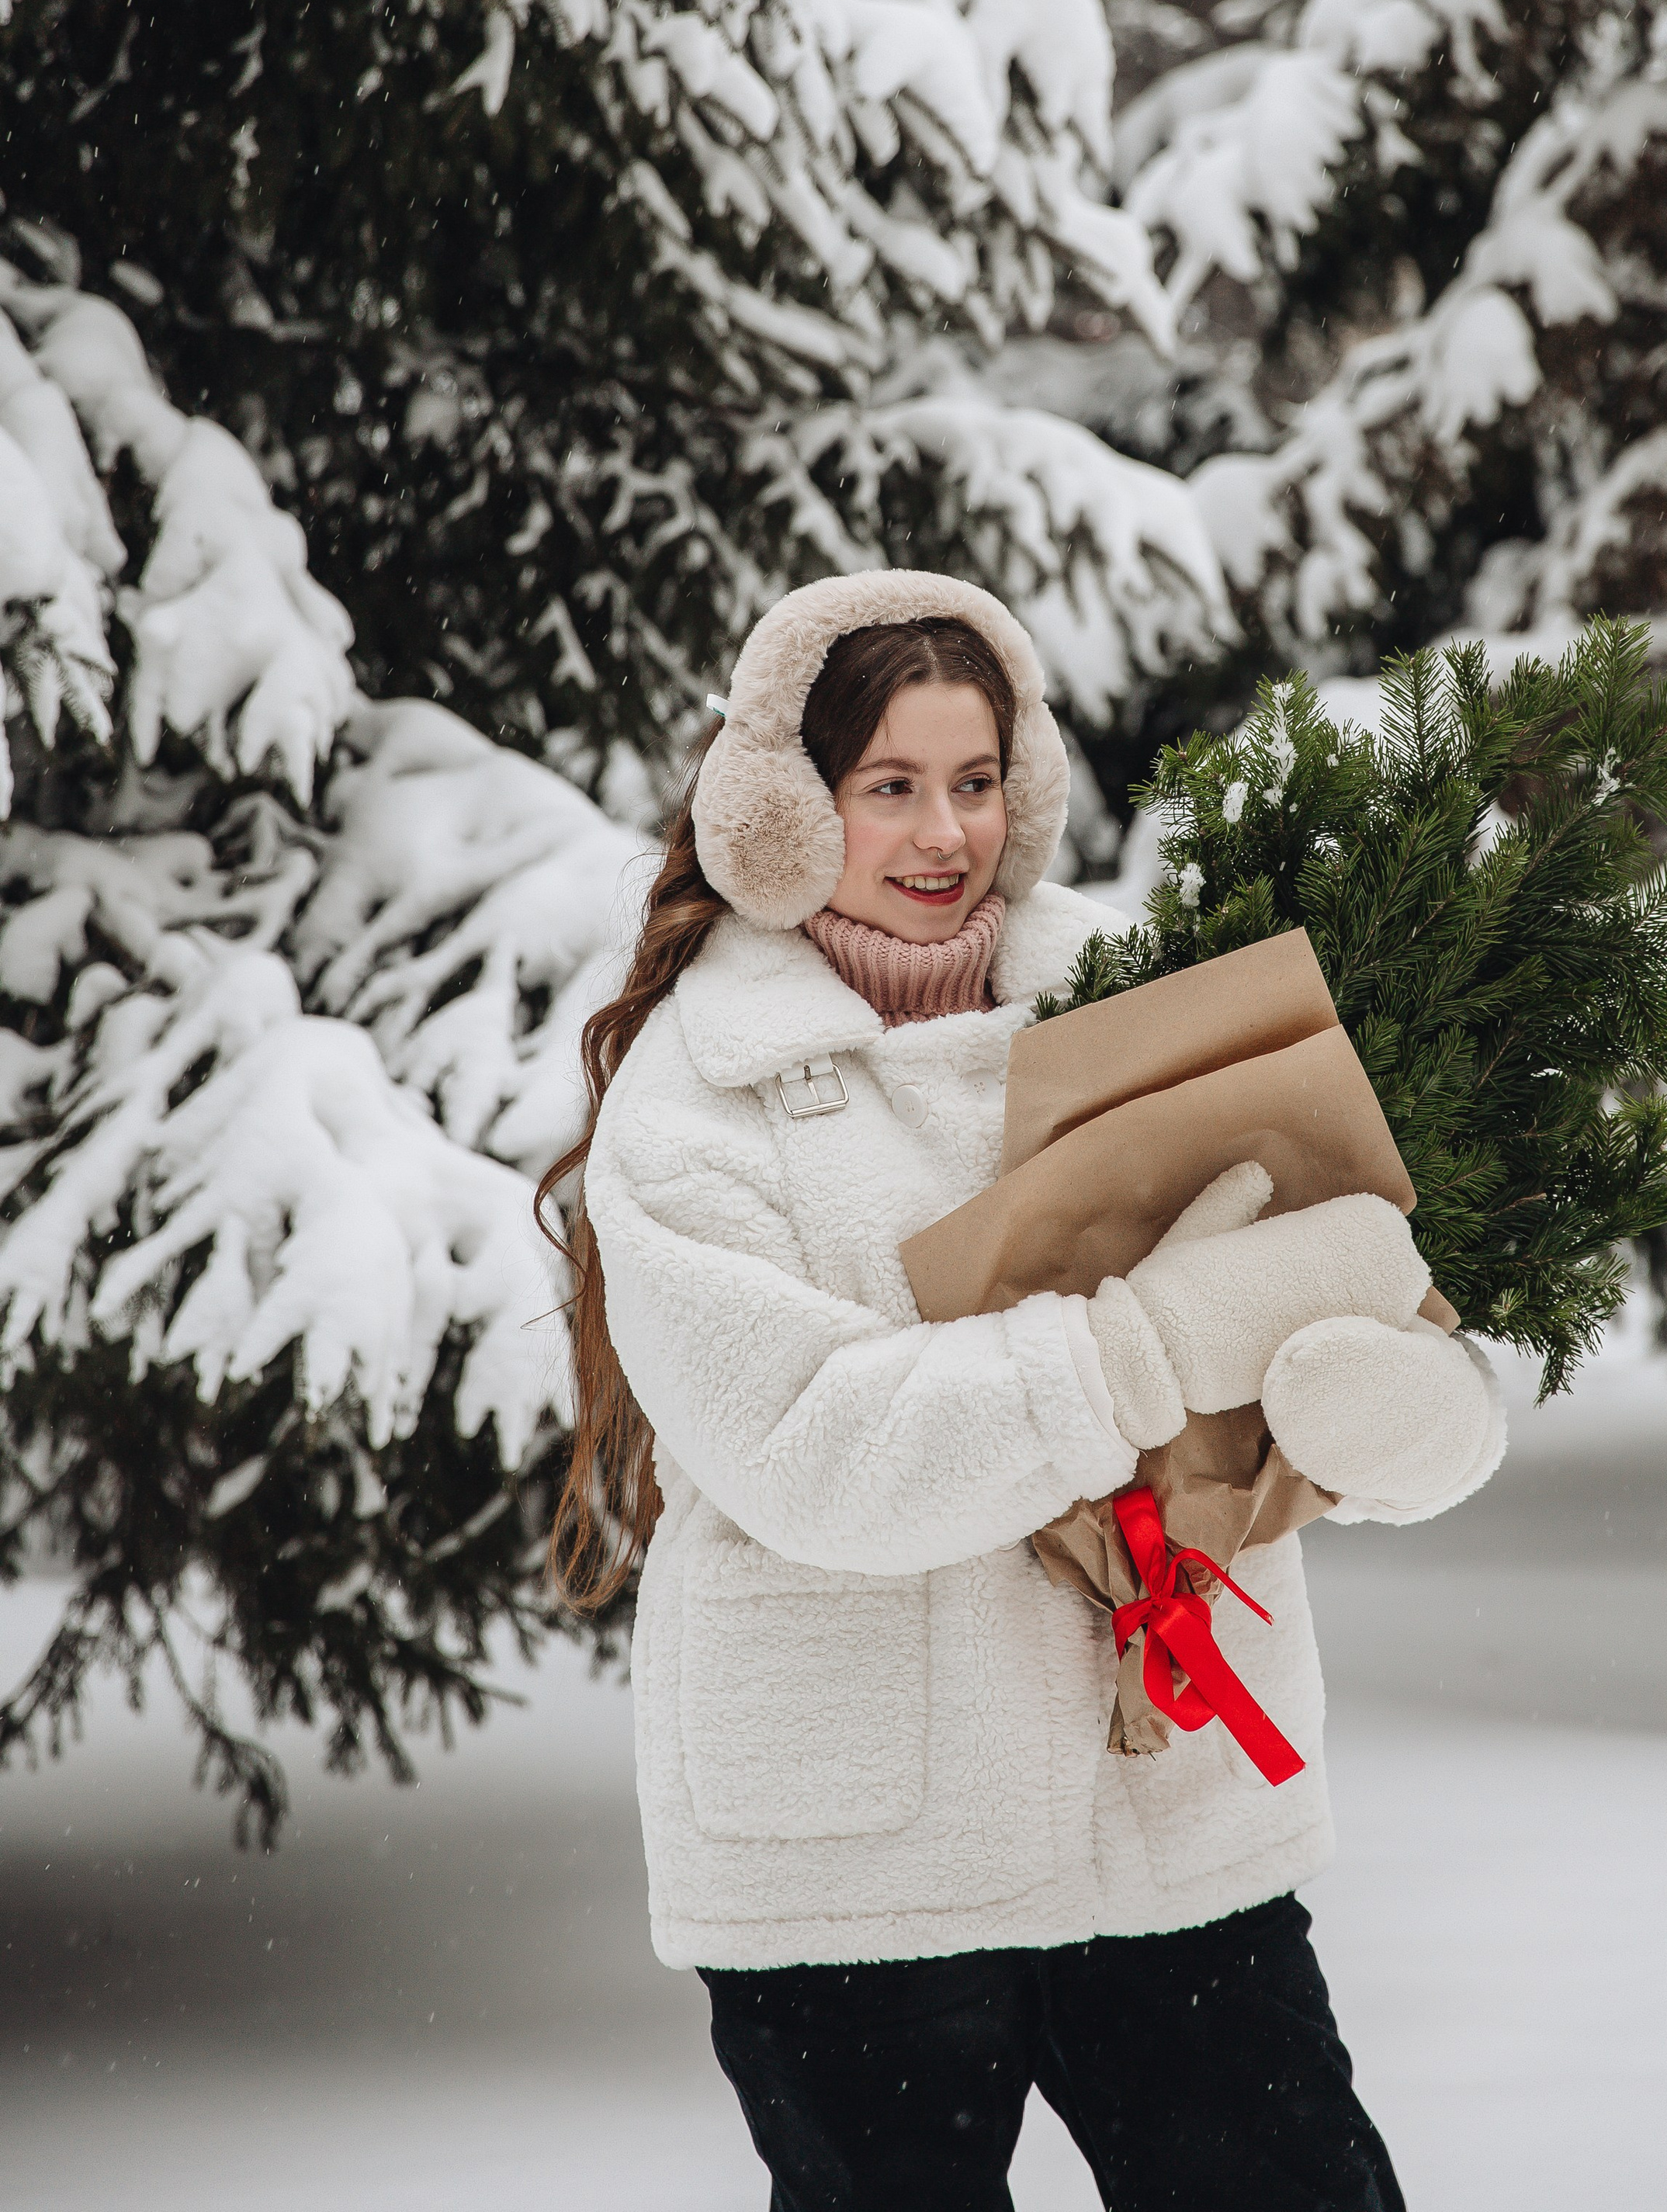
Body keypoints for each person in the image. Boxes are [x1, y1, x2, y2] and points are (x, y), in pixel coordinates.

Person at [542, 570, 1503, 2211]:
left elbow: (1326, 1304)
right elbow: (814, 1455)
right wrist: (1146, 1342)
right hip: (858, 1862)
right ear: (782, 808)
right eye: (888, 787)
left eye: (975, 782)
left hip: (1167, 1803)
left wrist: (1399, 1417)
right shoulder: (692, 1105)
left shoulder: (1153, 1007)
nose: (943, 835)